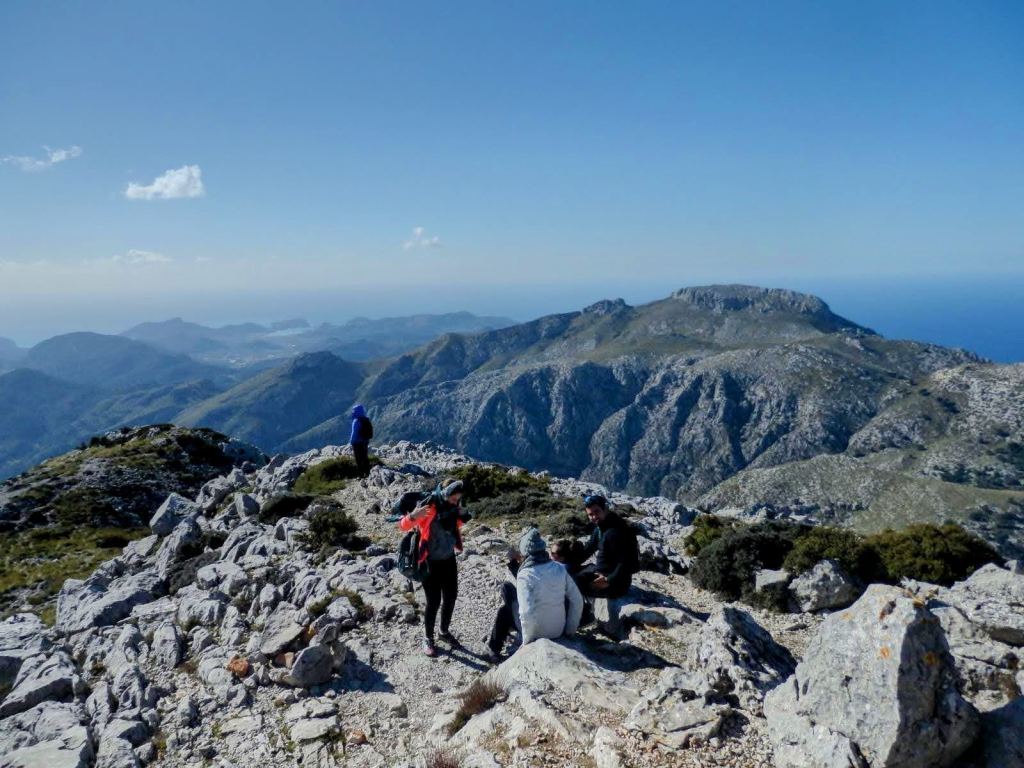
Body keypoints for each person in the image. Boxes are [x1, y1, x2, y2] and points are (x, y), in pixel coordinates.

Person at [487, 527, 584, 663]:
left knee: (505, 609)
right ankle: (499, 639)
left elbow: (526, 612)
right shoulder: (560, 569)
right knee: (509, 596)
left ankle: (493, 649)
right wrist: (569, 630)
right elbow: (578, 601)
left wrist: (527, 642)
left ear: (525, 552)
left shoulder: (525, 574)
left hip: (537, 634)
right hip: (558, 630)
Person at [397, 479, 471, 657]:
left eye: (458, 499)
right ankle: (428, 638)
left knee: (451, 596)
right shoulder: (429, 507)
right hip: (429, 561)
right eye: (454, 498)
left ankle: (443, 632)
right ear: (445, 493)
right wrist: (414, 515)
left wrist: (462, 513)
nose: (456, 502)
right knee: (434, 601)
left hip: (448, 559)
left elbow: (454, 527)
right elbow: (403, 526)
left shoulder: (452, 508)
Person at [574, 494, 639, 599]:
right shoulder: (600, 529)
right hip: (602, 574)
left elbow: (628, 562)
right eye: (590, 514)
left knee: (572, 584)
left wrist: (608, 580)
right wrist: (565, 562)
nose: (594, 517)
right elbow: (588, 549)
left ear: (605, 509)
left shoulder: (617, 530)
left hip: (616, 584)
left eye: (597, 512)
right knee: (570, 574)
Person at [349, 404, 373, 478]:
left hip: (357, 443)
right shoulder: (366, 419)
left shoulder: (356, 421)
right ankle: (368, 473)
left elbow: (354, 433)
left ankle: (361, 475)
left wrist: (351, 442)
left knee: (358, 459)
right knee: (365, 457)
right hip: (365, 441)